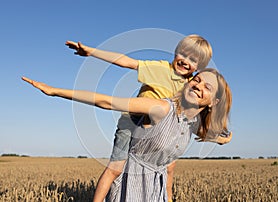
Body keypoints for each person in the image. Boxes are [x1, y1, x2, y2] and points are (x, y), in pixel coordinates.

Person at [22, 67, 232, 201]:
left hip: (155, 192)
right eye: (197, 79)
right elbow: (106, 101)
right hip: (130, 185)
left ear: (214, 102)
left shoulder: (191, 123)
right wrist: (55, 91)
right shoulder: (161, 108)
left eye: (207, 86)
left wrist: (223, 139)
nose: (198, 85)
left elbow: (204, 133)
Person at [65, 35, 231, 201]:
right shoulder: (160, 69)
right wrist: (92, 52)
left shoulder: (192, 83)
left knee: (169, 168)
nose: (185, 61)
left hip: (161, 129)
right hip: (133, 121)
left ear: (199, 67)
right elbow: (126, 62)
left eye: (193, 60)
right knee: (115, 169)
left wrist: (216, 138)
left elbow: (190, 121)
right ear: (175, 52)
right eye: (183, 54)